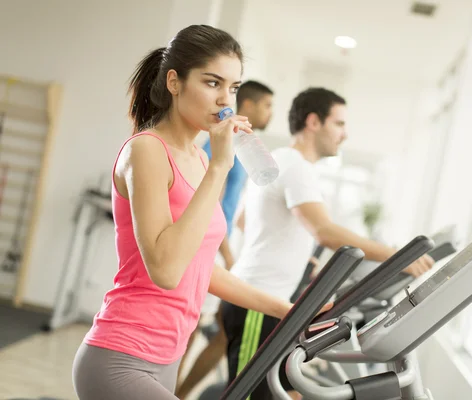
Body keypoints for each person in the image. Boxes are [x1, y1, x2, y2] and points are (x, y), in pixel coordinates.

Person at [71, 25, 329, 400]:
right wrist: (220, 168)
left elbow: (199, 268)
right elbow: (166, 270)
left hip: (167, 358)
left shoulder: (198, 158)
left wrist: (288, 309)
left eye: (234, 88)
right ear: (174, 82)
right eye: (212, 83)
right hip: (121, 357)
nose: (225, 99)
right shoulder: (147, 150)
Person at [222, 87, 435, 400]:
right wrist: (397, 257)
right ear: (313, 122)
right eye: (339, 124)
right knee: (249, 396)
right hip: (257, 300)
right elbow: (325, 231)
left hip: (267, 299)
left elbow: (244, 220)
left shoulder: (280, 159)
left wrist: (294, 255)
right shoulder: (294, 166)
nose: (344, 134)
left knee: (287, 393)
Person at [175, 80, 274, 399]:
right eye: (266, 105)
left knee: (215, 330)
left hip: (222, 244)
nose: (269, 112)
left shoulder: (238, 146)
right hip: (209, 246)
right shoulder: (216, 148)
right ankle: (171, 390)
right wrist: (229, 254)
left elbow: (232, 205)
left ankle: (179, 391)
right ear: (248, 106)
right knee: (192, 326)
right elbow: (206, 206)